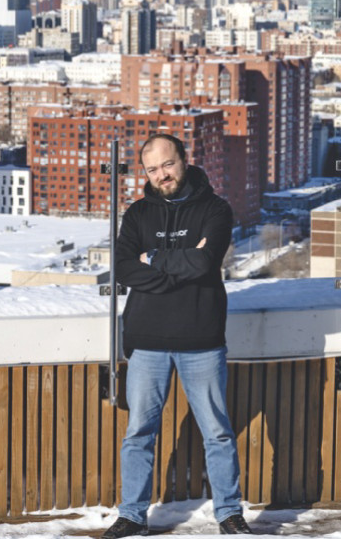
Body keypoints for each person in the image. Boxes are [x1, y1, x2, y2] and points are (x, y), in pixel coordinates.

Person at [103, 134, 251, 538]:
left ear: (184, 160)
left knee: (217, 432)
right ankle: (132, 515)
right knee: (138, 434)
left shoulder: (215, 209)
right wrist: (178, 267)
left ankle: (229, 514)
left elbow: (205, 263)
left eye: (167, 164)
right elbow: (123, 268)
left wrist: (152, 259)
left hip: (201, 337)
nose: (161, 175)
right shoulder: (138, 213)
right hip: (146, 339)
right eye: (152, 169)